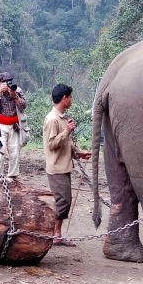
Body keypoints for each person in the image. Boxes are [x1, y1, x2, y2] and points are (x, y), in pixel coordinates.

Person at [43, 83, 91, 246]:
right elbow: (52, 144)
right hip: (56, 168)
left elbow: (66, 144)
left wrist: (78, 152)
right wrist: (67, 131)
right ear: (64, 98)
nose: (71, 100)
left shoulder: (63, 118)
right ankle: (55, 234)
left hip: (64, 166)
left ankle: (56, 233)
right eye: (70, 97)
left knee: (65, 200)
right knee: (63, 201)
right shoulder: (52, 119)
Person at [0, 72, 26, 179]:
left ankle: (13, 176)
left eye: (9, 81)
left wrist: (15, 96)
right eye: (5, 82)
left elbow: (24, 105)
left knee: (14, 153)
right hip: (0, 127)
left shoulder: (17, 90)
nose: (7, 84)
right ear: (0, 82)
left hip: (15, 126)